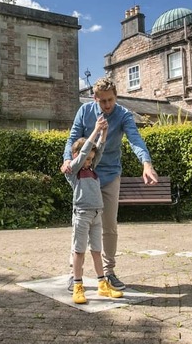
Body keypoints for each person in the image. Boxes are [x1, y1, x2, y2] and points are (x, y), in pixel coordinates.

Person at [61, 76, 157, 292]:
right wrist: (68, 158)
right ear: (95, 98)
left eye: (110, 100)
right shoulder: (84, 112)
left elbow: (135, 139)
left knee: (109, 226)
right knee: (80, 225)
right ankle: (74, 274)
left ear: (116, 97)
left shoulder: (123, 115)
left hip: (111, 174)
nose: (107, 105)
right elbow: (72, 138)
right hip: (86, 174)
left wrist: (146, 163)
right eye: (102, 101)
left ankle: (109, 272)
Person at [64, 116, 124, 304]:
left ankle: (102, 284)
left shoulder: (92, 168)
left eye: (91, 159)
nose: (89, 162)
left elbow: (99, 150)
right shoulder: (73, 171)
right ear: (77, 156)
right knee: (79, 251)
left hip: (97, 213)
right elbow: (84, 153)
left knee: (96, 250)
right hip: (82, 215)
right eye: (86, 158)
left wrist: (104, 133)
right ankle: (78, 285)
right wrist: (95, 130)